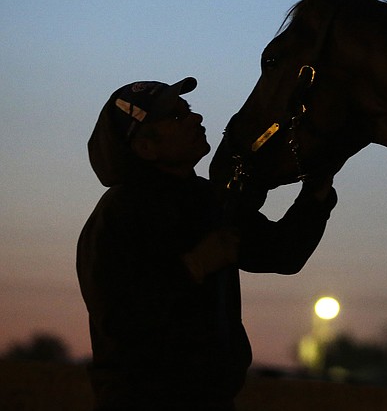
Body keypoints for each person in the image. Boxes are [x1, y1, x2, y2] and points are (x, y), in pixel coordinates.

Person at [77, 77, 336, 410]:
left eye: (188, 109)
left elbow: (281, 253)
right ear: (145, 147)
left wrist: (317, 193)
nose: (195, 118)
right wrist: (194, 266)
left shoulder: (208, 200)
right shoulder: (118, 215)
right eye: (176, 116)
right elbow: (118, 318)